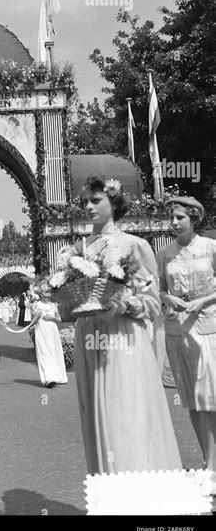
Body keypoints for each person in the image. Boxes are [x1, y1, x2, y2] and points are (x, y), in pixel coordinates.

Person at [69, 175, 182, 474]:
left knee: (125, 417)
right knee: (95, 417)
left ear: (113, 202)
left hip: (123, 338)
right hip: (89, 336)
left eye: (95, 200)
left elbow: (152, 302)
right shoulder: (78, 250)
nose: (88, 207)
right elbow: (71, 296)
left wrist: (126, 304)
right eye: (84, 202)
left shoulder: (136, 246)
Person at [156, 196, 216, 491]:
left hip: (207, 328)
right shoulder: (165, 254)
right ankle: (208, 461)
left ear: (194, 219)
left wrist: (203, 300)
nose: (174, 222)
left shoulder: (211, 248)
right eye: (172, 218)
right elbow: (160, 288)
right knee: (193, 400)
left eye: (180, 217)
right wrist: (170, 299)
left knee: (210, 399)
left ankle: (212, 469)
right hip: (177, 330)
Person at [31, 281, 68, 388]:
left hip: (52, 330)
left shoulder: (53, 305)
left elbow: (59, 319)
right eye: (45, 294)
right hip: (41, 330)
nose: (47, 297)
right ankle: (48, 378)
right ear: (41, 294)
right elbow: (34, 319)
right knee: (44, 352)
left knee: (53, 351)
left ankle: (57, 376)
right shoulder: (37, 305)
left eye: (49, 294)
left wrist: (51, 318)